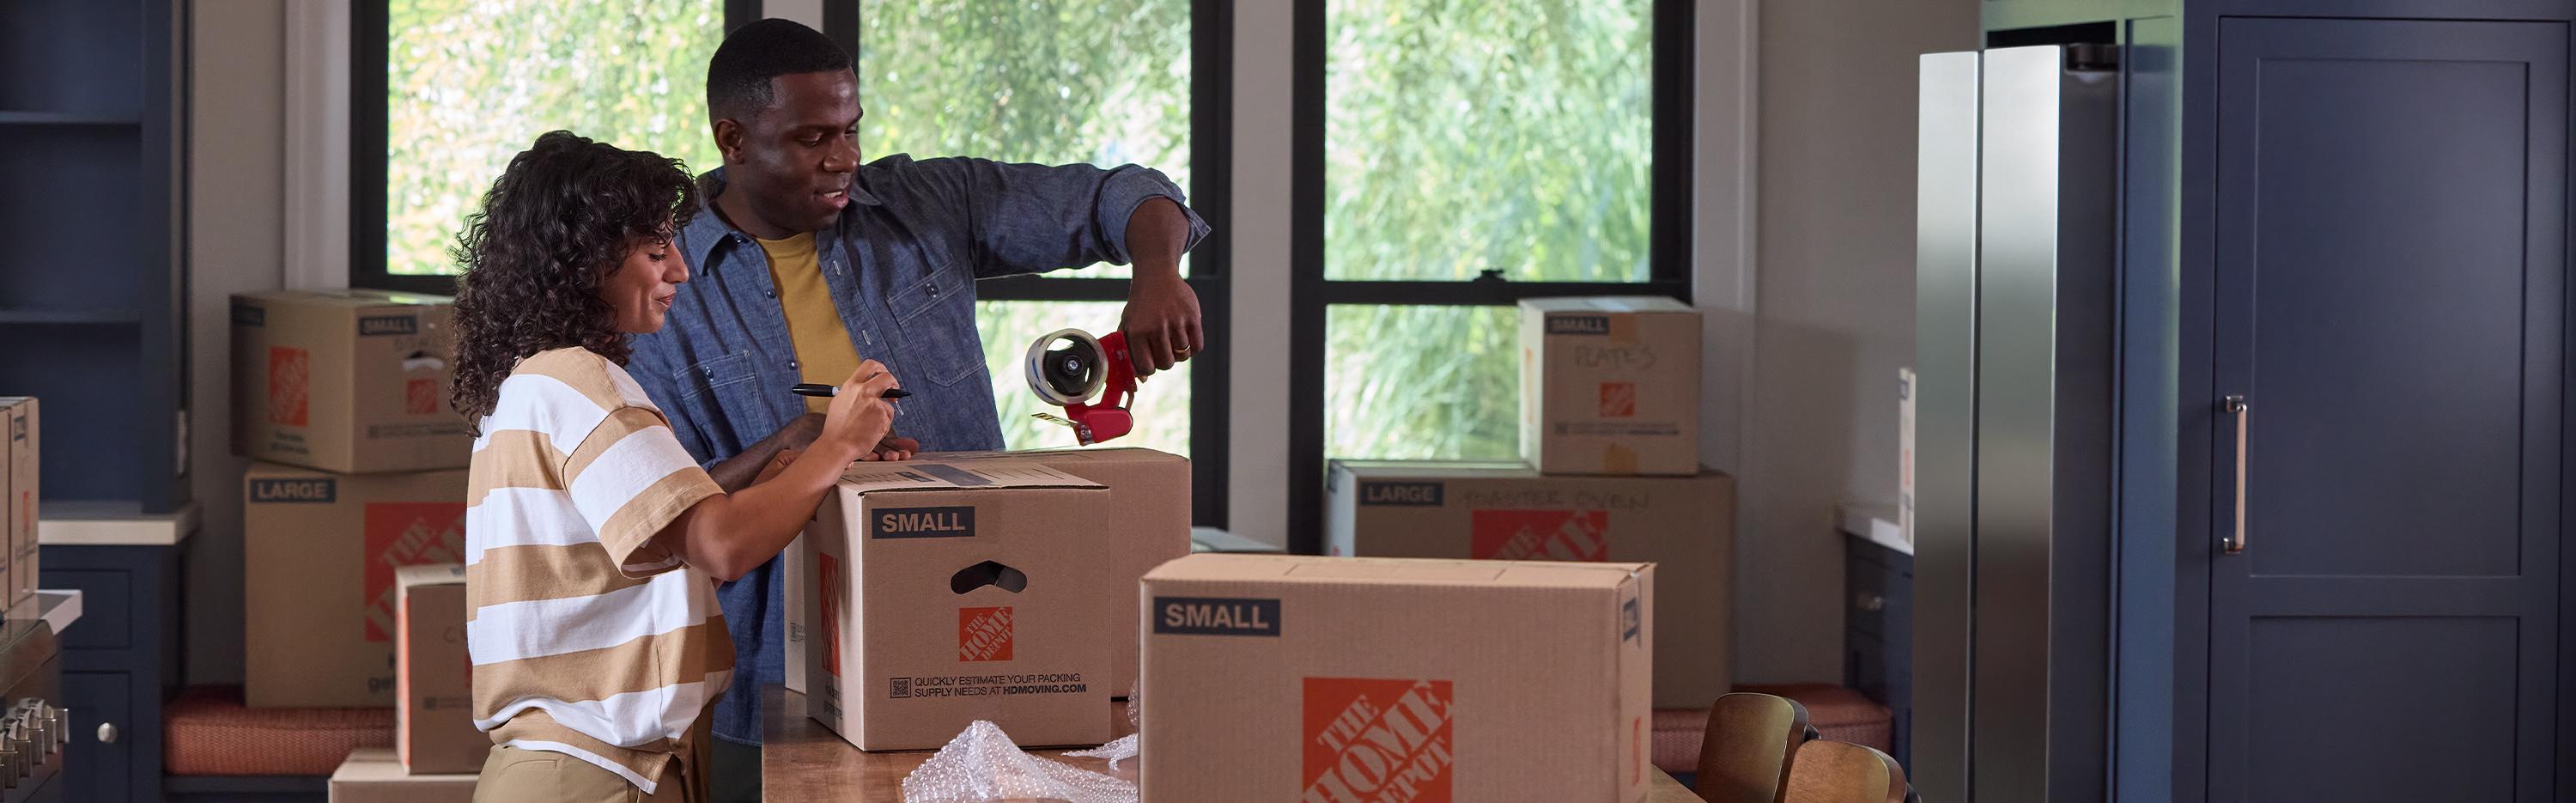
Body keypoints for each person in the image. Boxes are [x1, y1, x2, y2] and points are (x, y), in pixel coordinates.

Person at [623, 19, 1211, 797]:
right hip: (774, 678)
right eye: (811, 138)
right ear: (733, 138)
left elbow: (1124, 195)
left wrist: (1157, 274)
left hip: (986, 640)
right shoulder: (669, 279)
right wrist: (798, 446)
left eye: (851, 130)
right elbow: (677, 510)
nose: (843, 158)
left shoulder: (928, 203)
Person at [449, 131, 902, 802]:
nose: (681, 272)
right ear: (586, 263)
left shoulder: (530, 387)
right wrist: (836, 446)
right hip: (596, 774)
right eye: (657, 252)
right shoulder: (580, 382)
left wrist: (799, 463)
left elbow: (661, 544)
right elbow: (722, 544)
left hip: (572, 769)